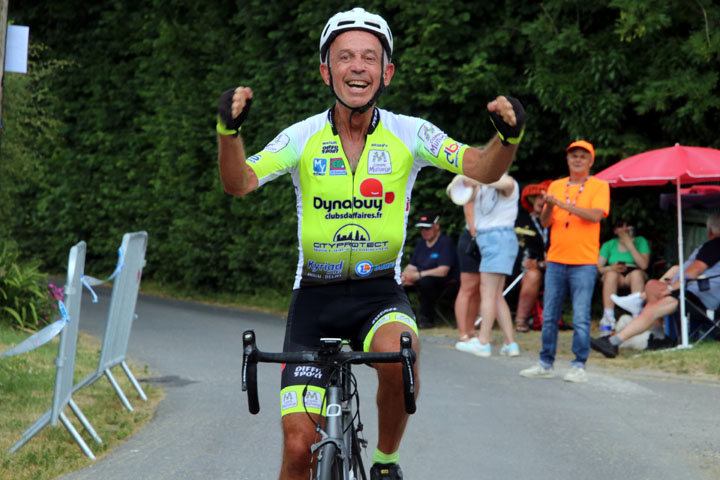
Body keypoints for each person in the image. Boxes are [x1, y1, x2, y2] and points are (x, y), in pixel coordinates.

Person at [216, 8, 526, 479]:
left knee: (402, 353)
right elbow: (239, 182)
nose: (357, 66)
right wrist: (229, 135)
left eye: (369, 57)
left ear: (387, 72)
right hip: (315, 300)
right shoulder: (301, 137)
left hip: (380, 294)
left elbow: (482, 167)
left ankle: (385, 461)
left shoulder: (411, 132)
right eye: (345, 57)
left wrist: (508, 138)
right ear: (326, 71)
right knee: (299, 449)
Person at [519, 140, 609, 383]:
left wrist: (564, 205)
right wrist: (549, 206)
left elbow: (596, 215)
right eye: (573, 156)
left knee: (580, 316)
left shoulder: (599, 186)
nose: (577, 160)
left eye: (582, 156)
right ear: (568, 160)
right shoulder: (557, 185)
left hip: (584, 261)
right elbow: (547, 222)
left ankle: (579, 365)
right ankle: (545, 363)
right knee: (549, 315)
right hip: (557, 259)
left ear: (591, 161)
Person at [591, 213, 720, 358]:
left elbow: (695, 269)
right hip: (693, 293)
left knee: (653, 307)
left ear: (710, 231)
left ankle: (613, 342)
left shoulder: (715, 245)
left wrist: (672, 288)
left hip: (697, 297)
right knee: (652, 285)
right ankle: (658, 337)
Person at [455, 172, 520, 357]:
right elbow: (460, 195)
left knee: (488, 292)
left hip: (496, 238)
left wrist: (477, 178)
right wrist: (470, 182)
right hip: (494, 240)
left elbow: (507, 184)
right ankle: (511, 343)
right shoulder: (483, 186)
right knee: (496, 294)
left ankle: (483, 342)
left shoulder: (506, 181)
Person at [401, 211, 459, 329]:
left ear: (436, 226)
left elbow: (443, 270)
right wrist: (405, 276)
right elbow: (412, 265)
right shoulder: (421, 243)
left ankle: (427, 320)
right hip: (422, 279)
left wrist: (418, 275)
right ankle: (404, 318)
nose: (424, 231)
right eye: (421, 229)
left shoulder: (445, 242)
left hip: (444, 282)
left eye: (427, 228)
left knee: (425, 282)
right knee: (400, 283)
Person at [447, 175, 482, 349]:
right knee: (467, 288)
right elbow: (469, 212)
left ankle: (471, 330)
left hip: (484, 238)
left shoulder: (489, 184)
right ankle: (462, 333)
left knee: (477, 290)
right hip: (472, 239)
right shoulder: (469, 182)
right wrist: (477, 237)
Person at [513, 181, 551, 332]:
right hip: (511, 264)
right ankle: (482, 316)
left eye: (544, 199)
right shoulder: (518, 218)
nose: (541, 202)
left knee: (533, 275)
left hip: (539, 268)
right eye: (537, 198)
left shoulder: (555, 224)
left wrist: (539, 264)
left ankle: (521, 320)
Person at [597, 219, 650, 329]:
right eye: (621, 226)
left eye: (627, 226)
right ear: (615, 230)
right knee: (611, 275)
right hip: (615, 273)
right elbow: (598, 267)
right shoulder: (609, 245)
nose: (624, 229)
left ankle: (637, 315)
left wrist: (630, 244)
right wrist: (610, 268)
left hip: (634, 271)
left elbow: (644, 265)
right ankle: (608, 316)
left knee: (636, 275)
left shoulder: (640, 241)